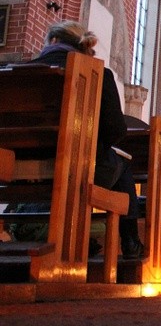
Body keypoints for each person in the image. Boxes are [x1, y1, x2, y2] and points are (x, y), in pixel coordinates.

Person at [29, 21, 144, 259]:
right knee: (123, 168)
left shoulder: (22, 70)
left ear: (52, 41)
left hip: (21, 167)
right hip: (81, 168)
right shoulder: (97, 73)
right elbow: (116, 130)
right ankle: (130, 241)